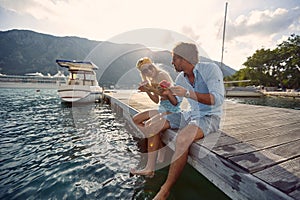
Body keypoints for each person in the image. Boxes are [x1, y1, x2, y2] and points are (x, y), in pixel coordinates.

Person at [131, 42, 225, 200]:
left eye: (174, 59)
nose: (172, 62)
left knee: (182, 139)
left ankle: (165, 190)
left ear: (183, 58)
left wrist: (188, 93)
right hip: (189, 114)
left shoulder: (210, 69)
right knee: (154, 124)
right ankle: (150, 168)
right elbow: (175, 102)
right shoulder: (181, 77)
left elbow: (217, 100)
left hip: (209, 116)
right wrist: (167, 93)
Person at [131, 57, 182, 177]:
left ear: (153, 66)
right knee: (136, 119)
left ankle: (150, 167)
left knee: (150, 126)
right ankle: (160, 148)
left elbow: (167, 93)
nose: (148, 71)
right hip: (161, 109)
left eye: (150, 67)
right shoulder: (152, 79)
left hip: (171, 110)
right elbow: (156, 100)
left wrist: (148, 88)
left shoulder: (162, 75)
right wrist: (147, 90)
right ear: (143, 73)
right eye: (145, 71)